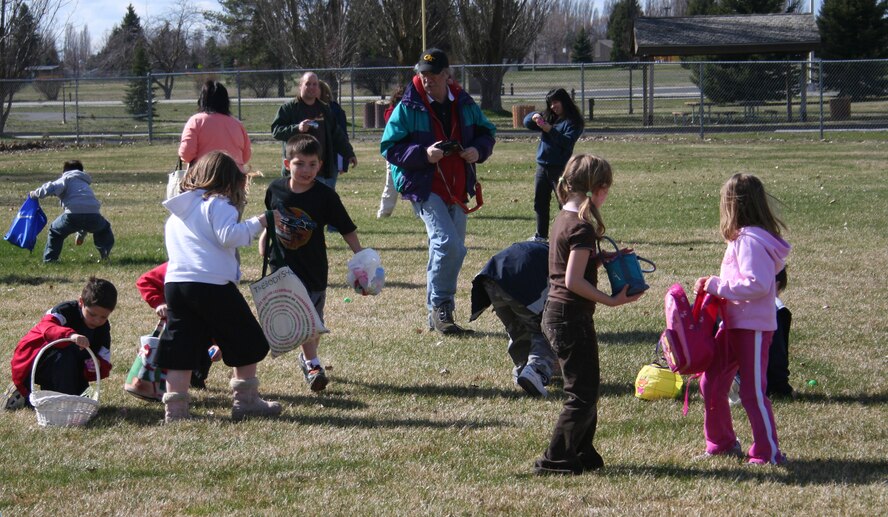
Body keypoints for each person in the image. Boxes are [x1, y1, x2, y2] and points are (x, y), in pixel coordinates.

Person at [533, 154, 643, 475]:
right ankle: (555, 459)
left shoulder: (563, 219)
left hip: (558, 315)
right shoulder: (581, 228)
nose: (608, 193)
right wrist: (611, 300)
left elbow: (571, 265)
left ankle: (581, 451)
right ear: (597, 189)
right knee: (581, 393)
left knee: (587, 387)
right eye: (606, 187)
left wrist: (601, 258)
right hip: (570, 317)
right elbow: (572, 280)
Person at [156, 151, 284, 423]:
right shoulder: (220, 205)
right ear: (228, 182)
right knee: (246, 337)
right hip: (211, 285)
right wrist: (259, 221)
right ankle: (246, 400)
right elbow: (229, 236)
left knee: (181, 345)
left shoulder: (179, 212)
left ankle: (176, 410)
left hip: (176, 285)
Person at [380, 48, 496, 335]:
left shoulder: (465, 103)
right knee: (449, 245)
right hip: (423, 185)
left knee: (444, 247)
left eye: (433, 74)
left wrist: (476, 150)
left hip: (457, 186)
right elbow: (389, 147)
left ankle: (435, 315)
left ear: (447, 75)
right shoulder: (408, 106)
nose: (427, 79)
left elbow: (486, 132)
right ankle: (442, 306)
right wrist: (424, 154)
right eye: (423, 74)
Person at [695, 173, 791, 465]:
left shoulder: (750, 241)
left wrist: (717, 286)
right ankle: (721, 442)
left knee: (751, 391)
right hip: (733, 324)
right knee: (711, 383)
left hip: (753, 327)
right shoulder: (741, 239)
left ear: (734, 206)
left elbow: (757, 284)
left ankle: (767, 451)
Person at [261, 134, 365, 392]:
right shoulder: (276, 189)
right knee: (299, 319)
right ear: (287, 164)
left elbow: (346, 228)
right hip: (282, 268)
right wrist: (264, 242)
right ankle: (313, 363)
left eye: (312, 164)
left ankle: (308, 359)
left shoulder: (325, 196)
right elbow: (271, 218)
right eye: (299, 163)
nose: (306, 170)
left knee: (313, 322)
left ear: (320, 165)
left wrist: (360, 256)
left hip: (314, 268)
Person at [4, 277, 116, 410]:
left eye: (103, 317)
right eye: (92, 314)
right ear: (81, 302)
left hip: (73, 370)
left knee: (85, 402)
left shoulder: (102, 329)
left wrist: (97, 364)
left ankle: (63, 397)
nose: (97, 320)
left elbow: (104, 355)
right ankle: (23, 393)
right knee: (66, 355)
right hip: (40, 361)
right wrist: (71, 335)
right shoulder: (65, 310)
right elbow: (47, 327)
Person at [123, 262, 222, 402]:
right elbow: (145, 281)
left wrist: (218, 344)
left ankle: (194, 379)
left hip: (204, 330)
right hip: (177, 327)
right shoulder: (177, 265)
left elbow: (220, 314)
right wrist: (159, 302)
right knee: (172, 356)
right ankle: (157, 383)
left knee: (200, 363)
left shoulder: (220, 274)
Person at [469, 241, 556, 397]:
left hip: (490, 278)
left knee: (517, 328)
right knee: (545, 330)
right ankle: (536, 371)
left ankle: (523, 369)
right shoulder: (563, 258)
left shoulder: (541, 248)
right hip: (517, 280)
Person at [524, 88, 585, 242]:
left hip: (560, 169)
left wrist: (549, 130)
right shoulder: (550, 117)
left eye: (556, 102)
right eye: (550, 104)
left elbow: (567, 142)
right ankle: (541, 235)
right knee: (540, 202)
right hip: (542, 166)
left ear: (564, 101)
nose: (553, 107)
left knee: (564, 202)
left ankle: (569, 233)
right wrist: (534, 116)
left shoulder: (574, 122)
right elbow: (526, 122)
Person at [271, 71, 357, 179]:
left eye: (314, 84)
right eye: (307, 84)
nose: (311, 87)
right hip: (297, 172)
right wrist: (297, 128)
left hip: (321, 170)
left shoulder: (325, 109)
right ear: (300, 86)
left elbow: (337, 134)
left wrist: (349, 153)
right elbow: (276, 131)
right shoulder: (289, 108)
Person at [29, 160, 114, 263]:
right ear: (81, 171)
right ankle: (105, 255)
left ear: (65, 171)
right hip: (94, 215)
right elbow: (84, 209)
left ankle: (50, 260)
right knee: (103, 229)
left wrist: (35, 194)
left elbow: (50, 188)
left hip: (72, 215)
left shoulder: (66, 178)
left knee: (55, 232)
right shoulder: (84, 183)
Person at [179, 80, 251, 172]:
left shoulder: (195, 121)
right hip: (233, 178)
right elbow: (245, 157)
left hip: (203, 176)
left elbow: (186, 154)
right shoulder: (237, 124)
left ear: (202, 100)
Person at [377, 85, 405, 218]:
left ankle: (421, 212)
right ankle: (384, 213)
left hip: (409, 152)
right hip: (394, 153)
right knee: (391, 184)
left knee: (414, 184)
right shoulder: (391, 112)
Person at [318, 79, 350, 191]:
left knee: (328, 191)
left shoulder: (334, 109)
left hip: (331, 159)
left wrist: (342, 163)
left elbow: (342, 137)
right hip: (314, 158)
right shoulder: (305, 109)